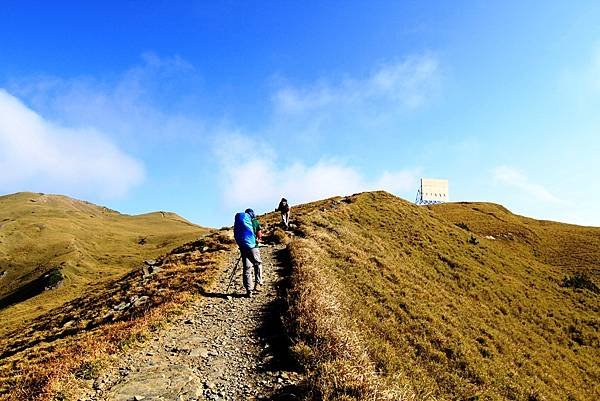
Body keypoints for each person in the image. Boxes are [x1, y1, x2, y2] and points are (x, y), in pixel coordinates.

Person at [233, 209, 263, 297]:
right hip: (253, 247)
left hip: (243, 247)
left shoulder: (240, 222)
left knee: (247, 268)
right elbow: (259, 235)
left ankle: (249, 290)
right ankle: (258, 283)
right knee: (258, 264)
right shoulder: (255, 222)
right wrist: (258, 239)